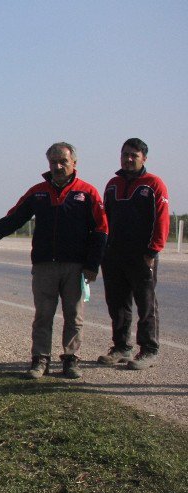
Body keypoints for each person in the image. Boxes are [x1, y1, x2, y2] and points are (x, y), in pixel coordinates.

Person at [0, 142, 108, 379]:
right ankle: (39, 359)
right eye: (53, 161)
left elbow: (101, 230)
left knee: (74, 315)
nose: (58, 166)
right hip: (44, 266)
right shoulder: (37, 192)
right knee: (43, 314)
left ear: (74, 163)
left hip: (75, 267)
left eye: (63, 161)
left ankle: (70, 360)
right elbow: (13, 220)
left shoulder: (88, 193)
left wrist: (92, 265)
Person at [97, 138, 170, 370]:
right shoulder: (112, 184)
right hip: (114, 255)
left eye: (134, 156)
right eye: (125, 154)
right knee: (117, 303)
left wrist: (153, 250)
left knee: (145, 303)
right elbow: (103, 219)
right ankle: (121, 347)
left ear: (143, 159)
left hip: (141, 256)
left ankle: (149, 350)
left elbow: (162, 219)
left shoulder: (153, 184)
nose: (128, 159)